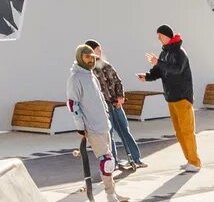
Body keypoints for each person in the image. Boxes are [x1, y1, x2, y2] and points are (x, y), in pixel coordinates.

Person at [67, 42, 123, 202]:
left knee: (110, 160)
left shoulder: (91, 76)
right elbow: (73, 104)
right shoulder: (75, 78)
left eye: (92, 57)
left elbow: (99, 100)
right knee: (106, 160)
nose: (90, 60)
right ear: (79, 57)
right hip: (91, 126)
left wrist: (106, 115)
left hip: (103, 124)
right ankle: (110, 194)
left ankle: (113, 190)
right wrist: (80, 126)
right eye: (87, 57)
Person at [141, 23, 203, 171]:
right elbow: (159, 71)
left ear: (167, 36)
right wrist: (147, 77)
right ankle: (189, 160)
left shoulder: (180, 53)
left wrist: (159, 62)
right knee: (179, 132)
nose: (158, 38)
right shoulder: (164, 53)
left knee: (187, 131)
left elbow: (177, 70)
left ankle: (195, 162)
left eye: (160, 35)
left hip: (182, 97)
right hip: (170, 97)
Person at [84, 39, 146, 171]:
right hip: (104, 108)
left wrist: (121, 96)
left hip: (116, 105)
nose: (100, 52)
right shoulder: (88, 70)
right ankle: (114, 162)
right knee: (108, 134)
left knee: (124, 130)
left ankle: (135, 158)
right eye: (97, 50)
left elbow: (118, 82)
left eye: (100, 50)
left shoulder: (107, 66)